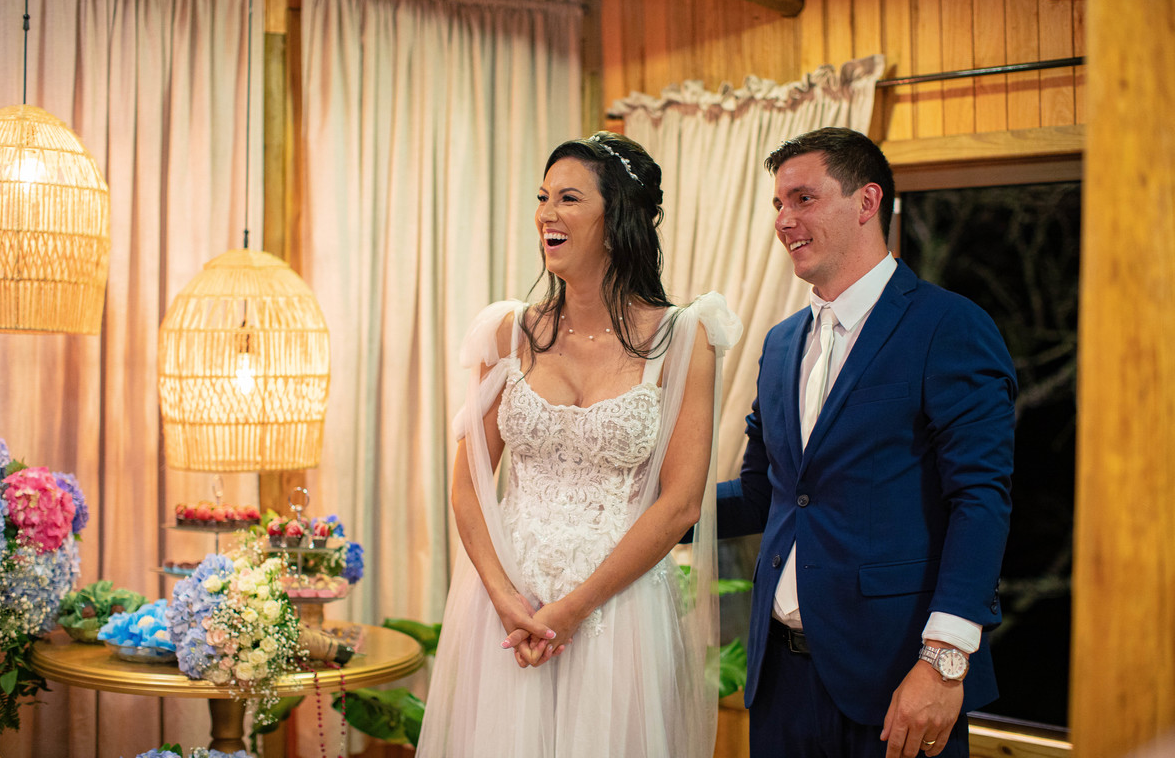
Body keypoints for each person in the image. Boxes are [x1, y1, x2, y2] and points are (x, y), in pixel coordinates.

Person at [417, 132, 741, 758]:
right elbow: (469, 485)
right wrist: (505, 599)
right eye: (543, 197)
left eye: (569, 198)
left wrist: (573, 608)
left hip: (615, 612)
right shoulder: (509, 332)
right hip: (507, 608)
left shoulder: (683, 337)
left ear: (617, 220)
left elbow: (680, 504)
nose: (547, 213)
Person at [717, 127, 1016, 758]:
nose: (784, 220)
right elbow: (761, 493)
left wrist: (943, 664)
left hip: (897, 680)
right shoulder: (779, 343)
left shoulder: (949, 326)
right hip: (779, 686)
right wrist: (645, 508)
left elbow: (980, 500)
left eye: (803, 199)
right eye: (778, 204)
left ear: (867, 201)